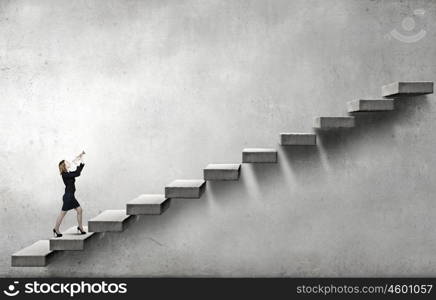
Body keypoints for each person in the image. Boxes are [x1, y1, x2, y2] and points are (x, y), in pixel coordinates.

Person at [53, 151, 86, 238]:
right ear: (64, 166)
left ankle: (80, 227)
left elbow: (77, 172)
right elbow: (77, 173)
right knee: (62, 213)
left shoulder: (68, 174)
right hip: (68, 197)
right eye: (66, 162)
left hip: (71, 196)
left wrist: (81, 161)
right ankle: (56, 229)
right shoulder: (64, 175)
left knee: (79, 210)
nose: (68, 162)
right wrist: (79, 161)